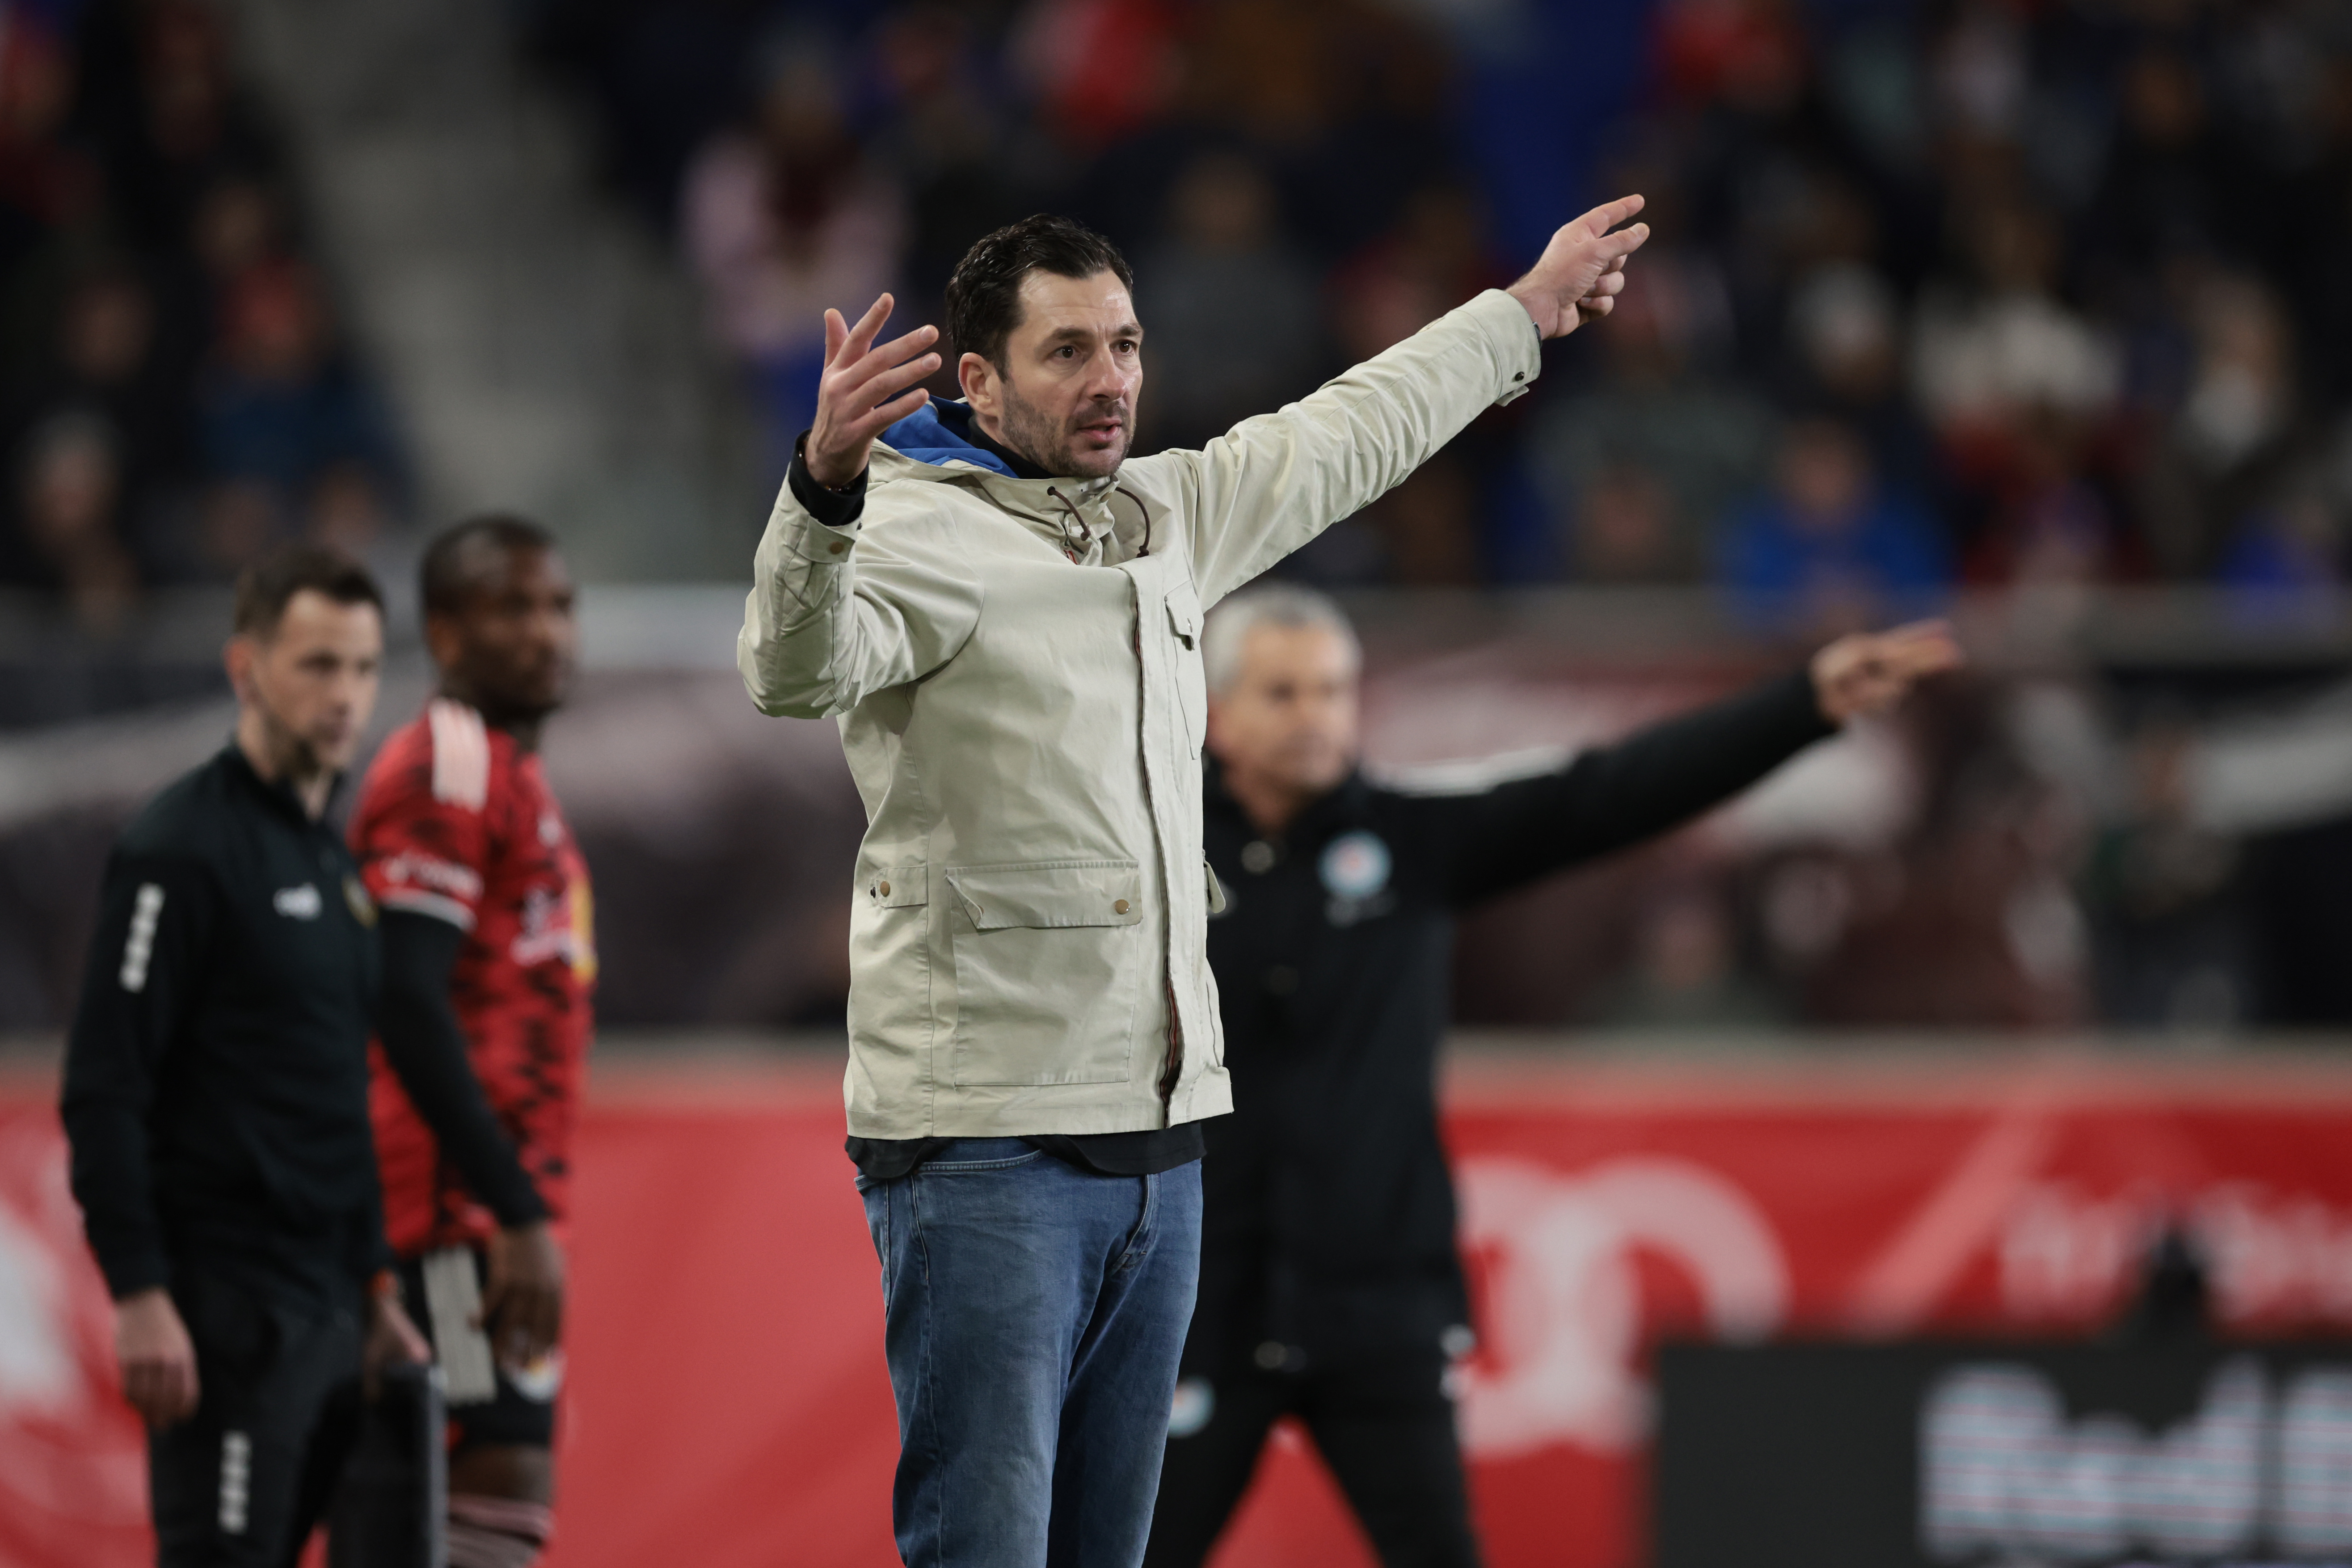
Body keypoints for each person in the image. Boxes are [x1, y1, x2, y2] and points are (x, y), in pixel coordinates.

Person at [737, 201, 1652, 1566]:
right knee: (983, 1546)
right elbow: (790, 672)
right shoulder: (908, 529)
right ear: (975, 381)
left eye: (1124, 344)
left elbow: (1349, 429)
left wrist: (1517, 310)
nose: (1108, 379)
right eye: (1066, 353)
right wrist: (817, 491)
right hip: (986, 1140)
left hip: (1162, 1139)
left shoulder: (1164, 514)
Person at [1141, 587, 1960, 1566]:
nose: (1315, 714)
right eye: (1283, 692)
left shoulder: (1411, 838)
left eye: (1332, 690)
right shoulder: (1152, 846)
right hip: (1201, 1302)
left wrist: (1801, 707)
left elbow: (1610, 791)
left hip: (1377, 1306)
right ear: (1218, 712)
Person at [59, 544, 429, 1567]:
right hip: (223, 1313)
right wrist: (139, 1293)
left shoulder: (331, 859)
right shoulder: (178, 850)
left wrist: (374, 1288)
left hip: (330, 1309)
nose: (344, 695)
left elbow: (333, 1096)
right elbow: (103, 1087)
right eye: (316, 664)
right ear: (245, 668)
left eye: (360, 668)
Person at [346, 516, 590, 1568]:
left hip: (483, 1207)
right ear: (445, 629)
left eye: (558, 605)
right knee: (482, 1491)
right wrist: (514, 1207)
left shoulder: (506, 772)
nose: (545, 632)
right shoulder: (447, 764)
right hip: (454, 1221)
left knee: (466, 1504)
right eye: (511, 607)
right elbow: (403, 998)